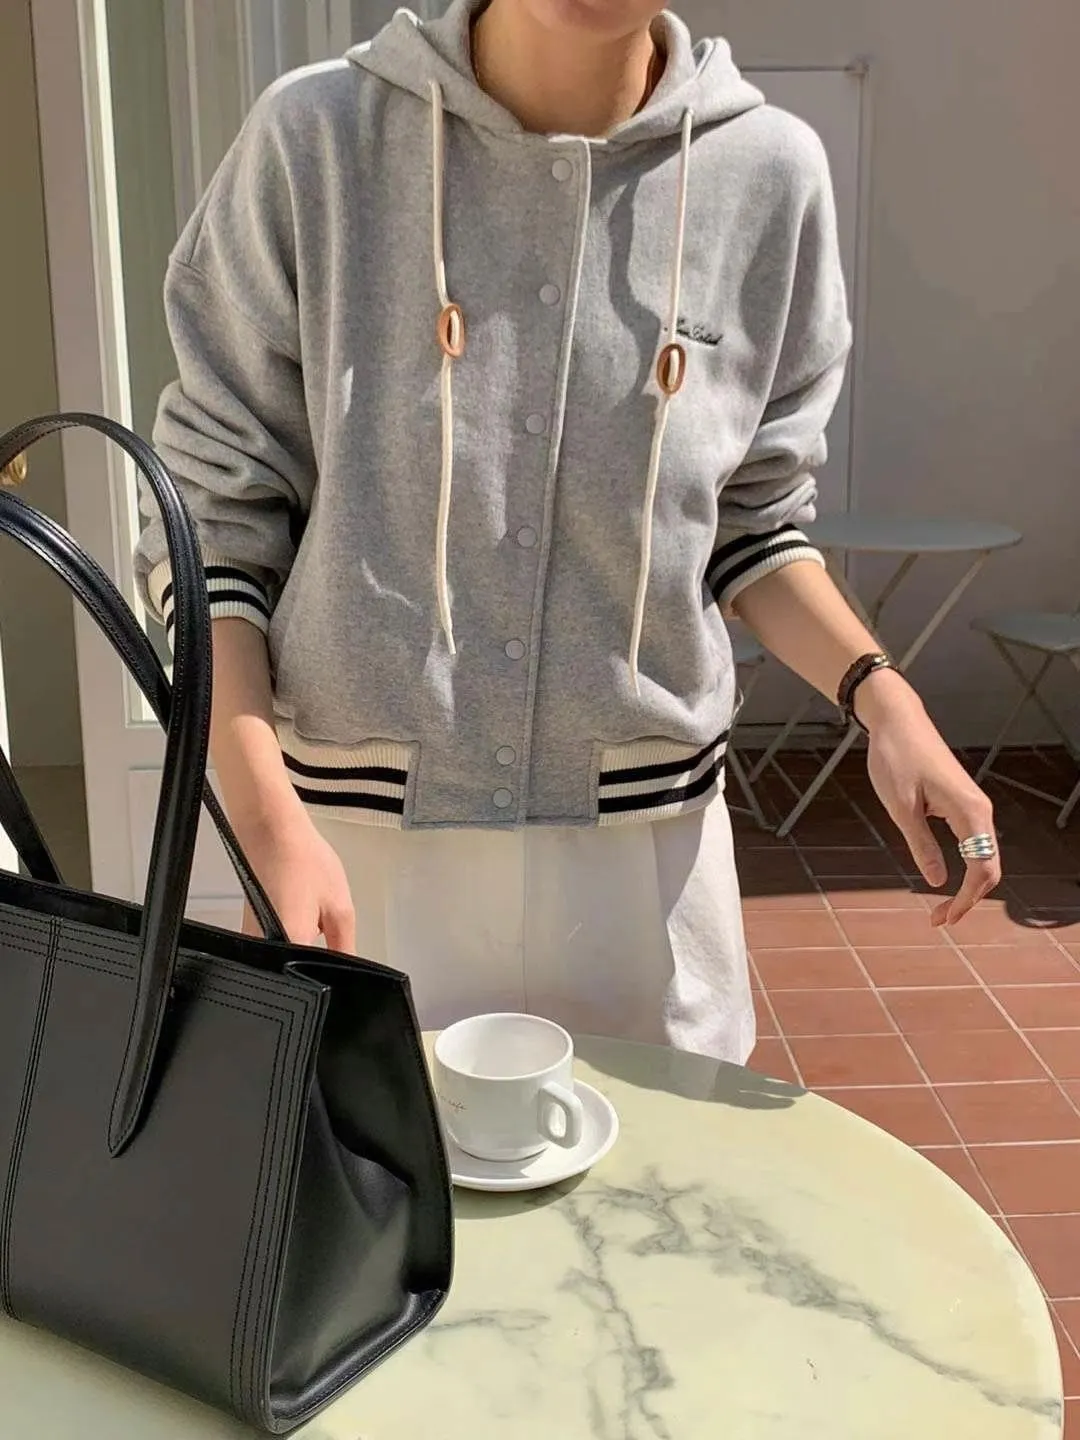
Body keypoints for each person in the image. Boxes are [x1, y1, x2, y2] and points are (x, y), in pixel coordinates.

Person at [135, 0, 999, 1062]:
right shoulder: (316, 142)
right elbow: (213, 523)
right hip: (356, 854)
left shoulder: (768, 176)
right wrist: (265, 817)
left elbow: (752, 523)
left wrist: (883, 696)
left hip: (645, 872)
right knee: (367, 1167)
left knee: (666, 1169)